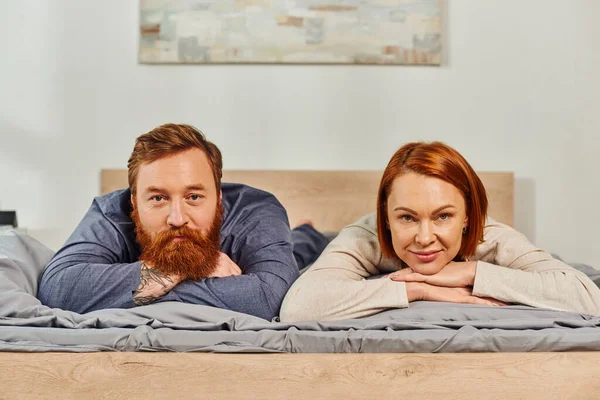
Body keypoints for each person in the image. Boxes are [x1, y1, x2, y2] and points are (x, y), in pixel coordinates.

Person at [280, 141, 600, 321]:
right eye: (406, 218)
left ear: (468, 216)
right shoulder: (364, 236)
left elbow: (588, 298)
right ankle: (306, 230)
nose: (424, 237)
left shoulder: (492, 237)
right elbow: (298, 308)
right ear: (386, 218)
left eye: (443, 216)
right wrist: (419, 289)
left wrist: (472, 272)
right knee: (304, 244)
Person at [37, 123, 329, 320]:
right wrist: (185, 268)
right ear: (133, 203)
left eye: (194, 197)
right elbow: (59, 289)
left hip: (266, 241)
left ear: (219, 198)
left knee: (297, 250)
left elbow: (270, 298)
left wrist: (143, 287)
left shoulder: (257, 209)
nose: (177, 219)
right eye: (158, 199)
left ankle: (307, 231)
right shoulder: (110, 212)